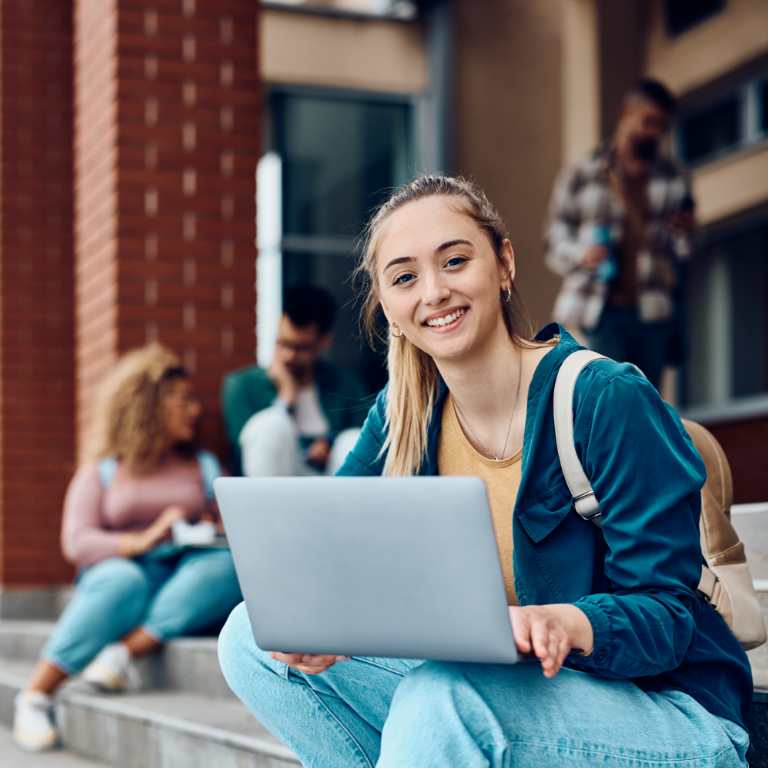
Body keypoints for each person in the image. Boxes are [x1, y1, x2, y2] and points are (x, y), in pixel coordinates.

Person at [217, 175, 752, 767]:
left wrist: (568, 621)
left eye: (454, 261)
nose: (434, 291)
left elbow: (669, 617)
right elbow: (330, 555)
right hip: (509, 695)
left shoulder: (605, 397)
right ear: (389, 306)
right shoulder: (403, 414)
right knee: (251, 640)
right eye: (405, 277)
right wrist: (323, 620)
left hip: (670, 716)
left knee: (441, 699)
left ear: (504, 264)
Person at [13, 344, 242, 753]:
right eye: (184, 400)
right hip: (122, 571)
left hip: (183, 573)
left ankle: (122, 653)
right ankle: (34, 696)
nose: (195, 410)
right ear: (149, 404)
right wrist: (140, 540)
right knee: (121, 580)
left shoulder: (205, 466)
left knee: (227, 566)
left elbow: (231, 526)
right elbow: (76, 541)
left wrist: (211, 526)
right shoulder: (104, 469)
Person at [544, 78, 696, 391]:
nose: (655, 132)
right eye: (649, 122)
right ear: (626, 113)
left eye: (662, 126)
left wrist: (686, 232)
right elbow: (553, 238)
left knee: (646, 399)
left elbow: (685, 249)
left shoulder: (676, 178)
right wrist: (580, 254)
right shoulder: (581, 174)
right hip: (598, 310)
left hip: (654, 311)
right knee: (605, 397)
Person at [221, 284, 367, 477]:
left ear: (324, 341)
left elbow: (368, 446)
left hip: (330, 481)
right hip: (276, 486)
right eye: (283, 343)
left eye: (300, 348)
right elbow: (245, 456)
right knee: (269, 426)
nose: (289, 355)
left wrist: (329, 445)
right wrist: (285, 398)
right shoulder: (243, 385)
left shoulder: (346, 386)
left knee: (352, 440)